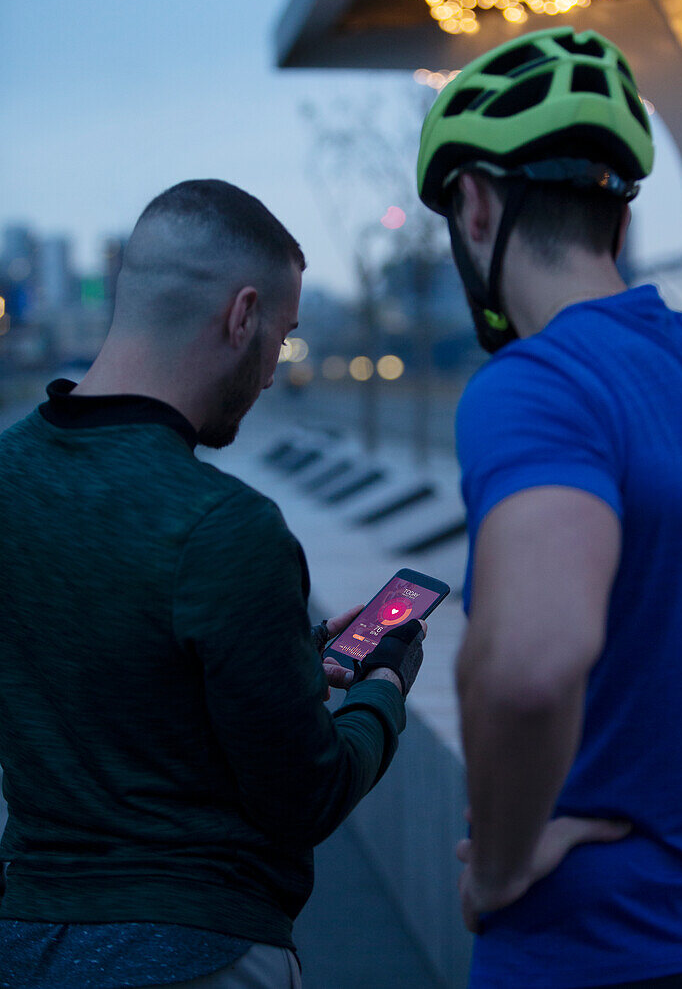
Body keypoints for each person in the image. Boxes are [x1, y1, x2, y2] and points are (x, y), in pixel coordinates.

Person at [0, 179, 426, 989]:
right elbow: (306, 795)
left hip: (27, 946)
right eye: (283, 336)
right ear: (241, 316)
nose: (274, 370)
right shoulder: (225, 527)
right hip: (200, 955)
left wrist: (283, 655)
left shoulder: (8, 474)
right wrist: (382, 690)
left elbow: (105, 668)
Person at [417, 26, 682, 987]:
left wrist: (504, 868)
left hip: (595, 949)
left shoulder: (537, 385)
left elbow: (525, 668)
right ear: (620, 221)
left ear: (473, 205)